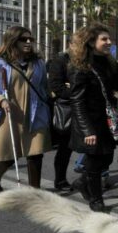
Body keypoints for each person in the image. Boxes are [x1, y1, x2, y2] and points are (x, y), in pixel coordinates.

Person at [0, 26, 51, 193]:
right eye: (23, 39)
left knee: (36, 154)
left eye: (30, 39)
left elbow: (44, 87)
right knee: (9, 156)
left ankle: (35, 192)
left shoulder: (38, 63)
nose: (28, 42)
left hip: (35, 113)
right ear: (12, 41)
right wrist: (0, 100)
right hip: (9, 115)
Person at [69, 23, 118, 212]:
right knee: (94, 162)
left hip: (107, 121)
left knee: (107, 158)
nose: (109, 42)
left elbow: (117, 86)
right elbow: (77, 101)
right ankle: (96, 200)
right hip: (92, 122)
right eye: (104, 39)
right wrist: (87, 130)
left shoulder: (107, 62)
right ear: (91, 42)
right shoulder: (81, 67)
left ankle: (81, 182)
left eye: (109, 38)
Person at [47, 51, 73, 191]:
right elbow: (56, 87)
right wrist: (77, 90)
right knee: (65, 148)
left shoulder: (90, 59)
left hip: (88, 109)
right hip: (67, 110)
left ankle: (91, 178)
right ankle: (60, 179)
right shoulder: (60, 61)